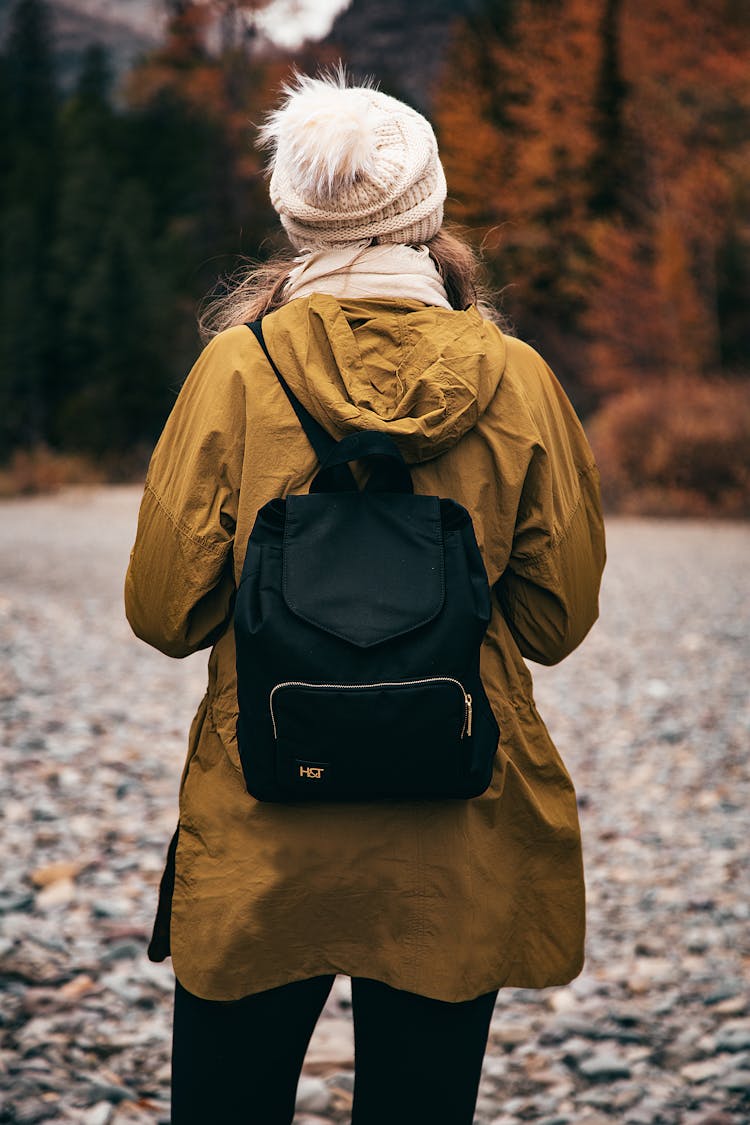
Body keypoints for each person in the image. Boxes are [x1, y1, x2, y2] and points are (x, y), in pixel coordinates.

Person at [125, 68, 606, 1125]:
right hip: (457, 817)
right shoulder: (517, 377)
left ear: (295, 217)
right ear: (428, 212)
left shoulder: (234, 370)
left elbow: (164, 613)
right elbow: (559, 623)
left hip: (262, 814)